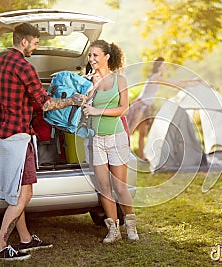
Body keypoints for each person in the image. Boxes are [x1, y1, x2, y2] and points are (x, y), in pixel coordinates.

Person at [0, 23, 86, 261]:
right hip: (18, 136)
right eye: (35, 42)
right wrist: (72, 100)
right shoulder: (25, 67)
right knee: (24, 193)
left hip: (1, 133)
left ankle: (25, 239)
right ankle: (0, 247)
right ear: (24, 41)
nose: (37, 46)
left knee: (16, 190)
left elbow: (17, 97)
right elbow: (45, 104)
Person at [82, 39, 139, 243]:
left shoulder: (119, 80)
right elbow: (83, 106)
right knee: (104, 188)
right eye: (90, 55)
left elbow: (124, 108)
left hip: (116, 138)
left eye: (95, 55)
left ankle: (131, 226)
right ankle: (113, 229)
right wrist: (85, 92)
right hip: (96, 139)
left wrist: (98, 110)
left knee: (120, 186)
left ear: (106, 57)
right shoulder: (89, 81)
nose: (91, 59)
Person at [126, 57, 199, 160]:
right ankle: (124, 154)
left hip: (147, 106)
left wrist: (191, 81)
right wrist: (189, 83)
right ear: (159, 66)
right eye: (164, 65)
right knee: (130, 130)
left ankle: (141, 157)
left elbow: (176, 82)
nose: (165, 67)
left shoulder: (158, 76)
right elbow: (174, 84)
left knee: (142, 133)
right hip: (141, 105)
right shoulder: (156, 77)